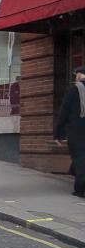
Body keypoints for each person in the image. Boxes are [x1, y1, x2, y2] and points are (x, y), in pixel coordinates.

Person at [54, 65, 85, 197]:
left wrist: (58, 134)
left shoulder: (74, 90)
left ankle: (80, 189)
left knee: (79, 158)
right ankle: (74, 172)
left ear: (79, 75)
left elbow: (64, 112)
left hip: (77, 131)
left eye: (76, 74)